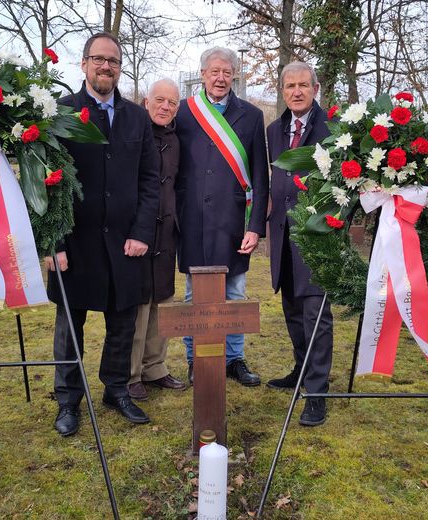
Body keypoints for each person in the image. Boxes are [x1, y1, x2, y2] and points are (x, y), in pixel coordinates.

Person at [46, 32, 159, 437]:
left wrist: (143, 231)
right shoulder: (61, 112)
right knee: (69, 326)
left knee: (123, 323)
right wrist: (54, 243)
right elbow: (46, 182)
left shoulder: (137, 117)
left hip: (125, 242)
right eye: (99, 59)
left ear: (119, 67)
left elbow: (150, 180)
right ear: (84, 64)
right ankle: (67, 400)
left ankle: (115, 388)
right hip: (75, 244)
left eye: (113, 60)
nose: (106, 67)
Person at [175, 46, 269, 387]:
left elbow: (261, 175)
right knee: (193, 293)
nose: (220, 78)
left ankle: (234, 359)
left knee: (236, 292)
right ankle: (193, 359)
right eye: (214, 71)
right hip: (193, 219)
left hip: (234, 221)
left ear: (234, 76)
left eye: (227, 72)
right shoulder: (183, 113)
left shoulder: (252, 115)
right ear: (202, 75)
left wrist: (256, 226)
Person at [265, 61, 334, 426]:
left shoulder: (332, 129)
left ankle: (317, 392)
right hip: (282, 233)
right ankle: (301, 369)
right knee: (292, 308)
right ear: (282, 90)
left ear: (315, 88)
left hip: (316, 236)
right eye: (289, 85)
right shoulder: (274, 130)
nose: (296, 91)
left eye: (303, 85)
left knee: (316, 315)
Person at [128, 78, 187, 401]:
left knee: (162, 302)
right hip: (137, 231)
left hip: (166, 232)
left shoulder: (176, 138)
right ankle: (131, 373)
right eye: (160, 100)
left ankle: (155, 367)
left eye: (172, 102)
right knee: (137, 306)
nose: (165, 107)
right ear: (146, 100)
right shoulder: (131, 132)